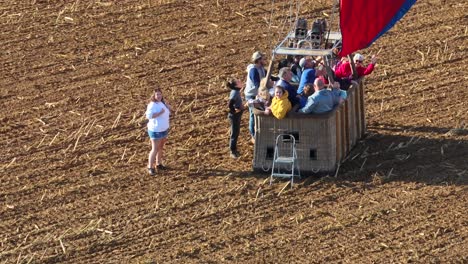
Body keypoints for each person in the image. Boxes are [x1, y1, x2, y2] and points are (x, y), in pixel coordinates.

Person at [145, 87, 172, 175]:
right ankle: (150, 167)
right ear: (154, 95)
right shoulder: (152, 104)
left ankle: (158, 164)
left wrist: (168, 107)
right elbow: (148, 116)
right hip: (155, 129)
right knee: (155, 148)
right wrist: (159, 113)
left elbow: (168, 112)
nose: (159, 96)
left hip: (163, 128)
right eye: (157, 94)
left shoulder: (162, 103)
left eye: (160, 94)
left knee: (160, 147)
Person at [245, 51, 266, 143]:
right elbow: (257, 84)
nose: (264, 60)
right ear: (258, 60)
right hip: (252, 95)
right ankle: (253, 135)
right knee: (253, 114)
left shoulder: (261, 68)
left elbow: (268, 77)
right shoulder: (253, 70)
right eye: (263, 58)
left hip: (258, 93)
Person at [226, 78, 245, 159]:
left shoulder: (236, 91)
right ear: (236, 85)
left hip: (236, 115)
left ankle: (234, 149)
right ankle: (232, 151)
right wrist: (234, 111)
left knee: (236, 132)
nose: (240, 81)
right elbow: (230, 104)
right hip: (234, 116)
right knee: (234, 133)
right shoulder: (234, 92)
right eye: (238, 81)